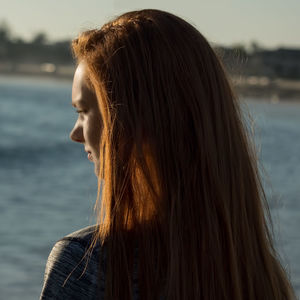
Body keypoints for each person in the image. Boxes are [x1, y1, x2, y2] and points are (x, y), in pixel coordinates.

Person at [39, 8, 296, 300]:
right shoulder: (255, 274)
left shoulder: (87, 267)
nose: (75, 133)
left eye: (84, 112)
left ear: (136, 119)